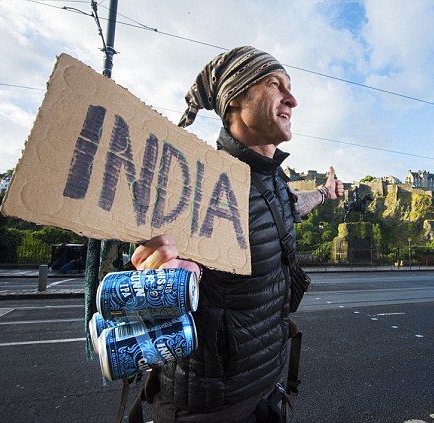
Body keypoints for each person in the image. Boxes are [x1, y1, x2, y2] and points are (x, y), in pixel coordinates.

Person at [131, 46, 344, 422]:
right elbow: (143, 286)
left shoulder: (272, 179)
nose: (292, 99)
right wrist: (161, 275)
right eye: (275, 85)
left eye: (289, 87)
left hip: (265, 391)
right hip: (209, 409)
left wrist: (325, 193)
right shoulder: (196, 184)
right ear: (235, 98)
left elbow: (295, 204)